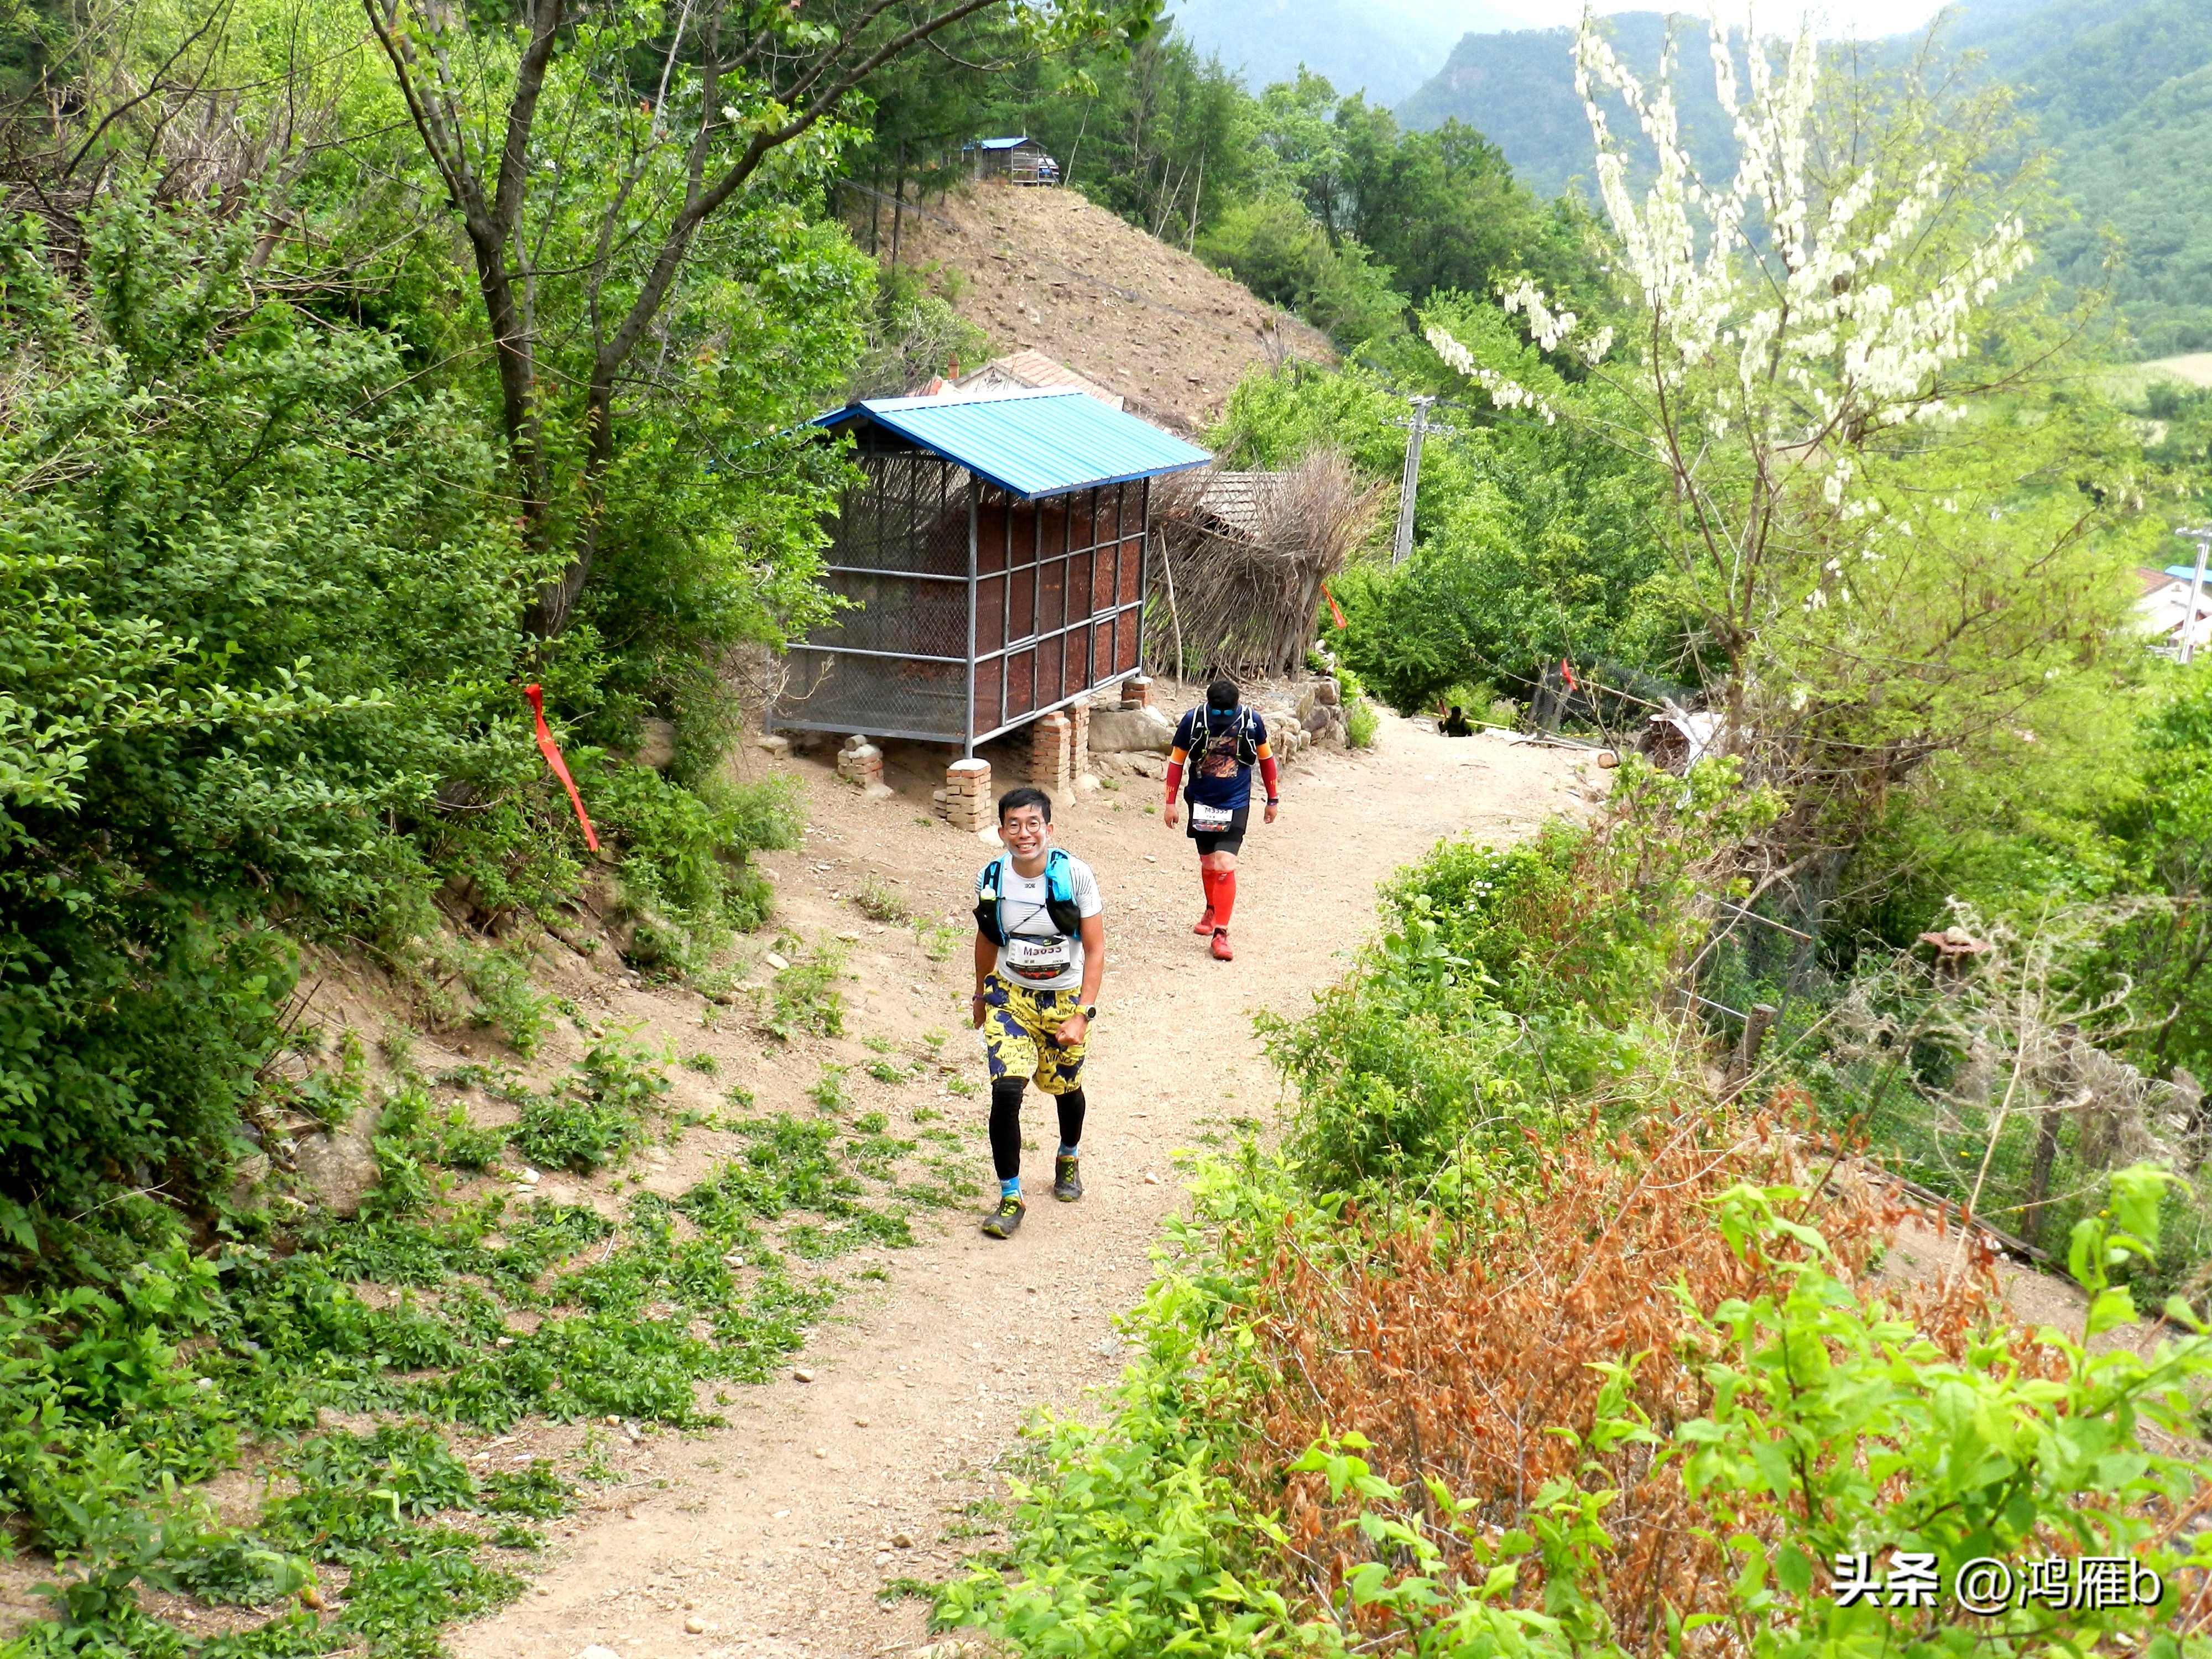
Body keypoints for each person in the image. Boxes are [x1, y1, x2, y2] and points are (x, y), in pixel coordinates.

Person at [969, 787, 1104, 1240]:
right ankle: (1011, 1196)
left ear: (1049, 828)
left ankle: (1068, 1156)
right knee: (1006, 1093)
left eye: (1033, 824)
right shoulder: (991, 878)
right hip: (1011, 997)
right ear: (1002, 829)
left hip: (1064, 1000)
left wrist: (1083, 1014)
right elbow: (988, 938)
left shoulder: (1076, 876)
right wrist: (978, 994)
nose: (1023, 834)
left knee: (1065, 1088)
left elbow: (1096, 946)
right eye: (1013, 825)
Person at [1164, 677, 1279, 963]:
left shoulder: (1252, 722)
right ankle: (1212, 909)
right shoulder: (1192, 721)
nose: (1222, 719)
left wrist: (1272, 799)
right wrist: (1170, 803)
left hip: (1235, 802)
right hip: (1201, 801)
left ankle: (1221, 934)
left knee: (1225, 864)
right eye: (1218, 714)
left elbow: (1266, 760)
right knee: (1207, 863)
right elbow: (1177, 762)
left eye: (1227, 714)